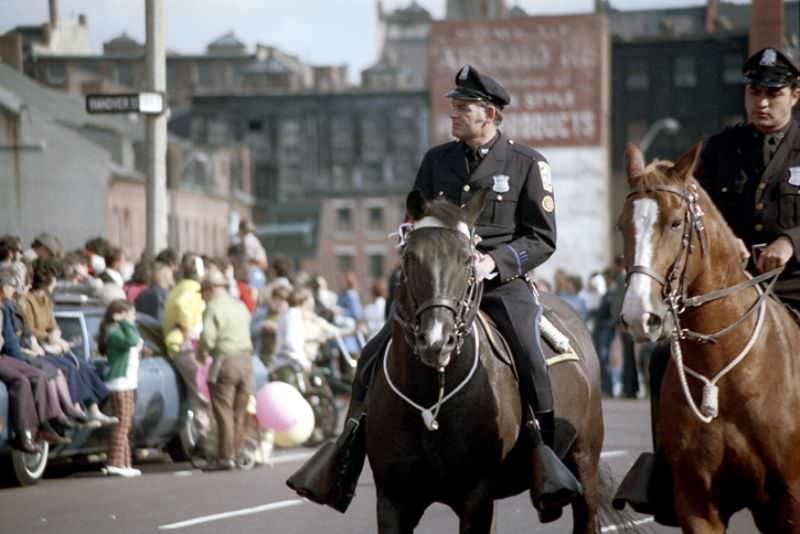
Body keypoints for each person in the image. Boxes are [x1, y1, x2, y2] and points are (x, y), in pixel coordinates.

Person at [288, 65, 582, 519]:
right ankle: (345, 456)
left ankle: (546, 457)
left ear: (489, 113)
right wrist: (411, 235)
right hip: (438, 283)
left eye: (463, 109)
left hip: (496, 285)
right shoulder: (436, 160)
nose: (454, 116)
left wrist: (495, 263)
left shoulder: (527, 163)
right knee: (373, 354)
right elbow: (417, 214)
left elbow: (541, 238)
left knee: (528, 348)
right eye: (453, 108)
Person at [616, 48, 800, 523]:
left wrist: (790, 241)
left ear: (794, 96)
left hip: (795, 287)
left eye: (773, 93)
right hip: (730, 287)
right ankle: (665, 475)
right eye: (755, 92)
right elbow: (695, 217)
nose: (762, 102)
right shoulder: (719, 149)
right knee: (662, 359)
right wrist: (730, 238)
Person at [199, 268, 253, 471]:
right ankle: (237, 453)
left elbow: (207, 338)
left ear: (211, 289)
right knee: (240, 411)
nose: (203, 296)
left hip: (225, 361)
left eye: (203, 291)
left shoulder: (213, 307)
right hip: (246, 361)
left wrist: (202, 354)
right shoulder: (239, 305)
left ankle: (225, 457)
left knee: (224, 411)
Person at [98, 299, 143, 478]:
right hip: (120, 382)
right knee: (122, 424)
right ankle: (114, 463)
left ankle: (124, 463)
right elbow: (133, 340)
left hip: (128, 382)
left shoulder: (119, 330)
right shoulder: (114, 332)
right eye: (130, 314)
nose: (133, 318)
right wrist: (124, 322)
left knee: (126, 423)